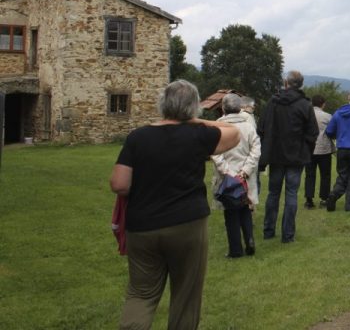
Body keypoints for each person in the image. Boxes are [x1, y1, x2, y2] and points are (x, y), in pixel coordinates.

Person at [109, 80, 240, 330]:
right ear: (194, 108)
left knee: (141, 294)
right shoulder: (199, 134)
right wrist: (196, 120)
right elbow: (233, 132)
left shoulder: (138, 137)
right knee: (185, 296)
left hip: (143, 225)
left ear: (162, 104)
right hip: (187, 224)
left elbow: (119, 183)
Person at [259, 71, 318, 243]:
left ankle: (268, 231)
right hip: (296, 156)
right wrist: (305, 148)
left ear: (286, 83)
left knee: (273, 193)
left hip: (276, 155)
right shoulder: (305, 105)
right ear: (300, 85)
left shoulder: (273, 102)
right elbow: (313, 132)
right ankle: (288, 235)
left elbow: (261, 127)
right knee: (291, 194)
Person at [211, 93, 261, 258]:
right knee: (245, 208)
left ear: (223, 108)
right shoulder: (248, 126)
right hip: (245, 176)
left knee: (231, 212)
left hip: (227, 177)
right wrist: (245, 171)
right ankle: (250, 241)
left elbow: (215, 151)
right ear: (240, 107)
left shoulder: (218, 127)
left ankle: (235, 250)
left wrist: (228, 172)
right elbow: (256, 150)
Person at [305, 94, 334, 209]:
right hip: (324, 149)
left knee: (310, 175)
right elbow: (332, 131)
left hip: (309, 149)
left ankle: (309, 200)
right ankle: (324, 198)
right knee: (325, 175)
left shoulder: (306, 115)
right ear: (323, 104)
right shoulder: (328, 116)